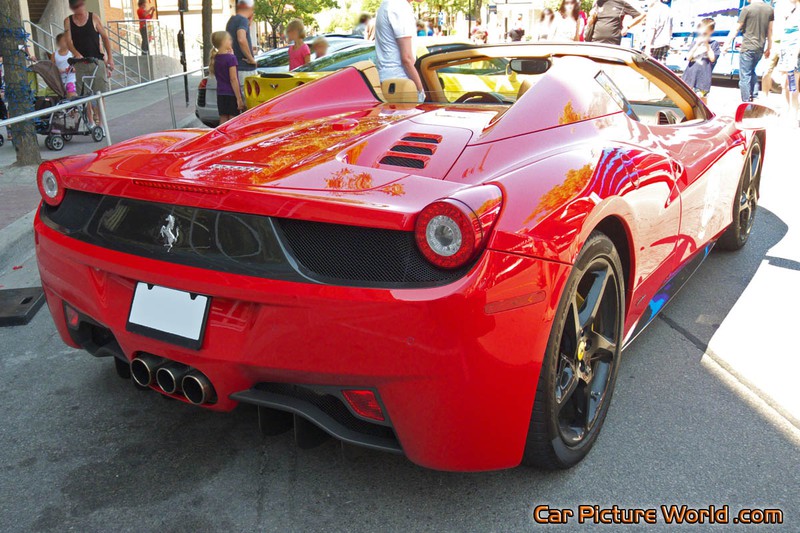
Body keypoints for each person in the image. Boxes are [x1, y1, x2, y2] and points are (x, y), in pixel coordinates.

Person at [64, 0, 114, 125]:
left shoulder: (94, 17)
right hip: (81, 63)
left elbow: (105, 37)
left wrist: (110, 58)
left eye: (79, 6)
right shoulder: (68, 21)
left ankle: (101, 123)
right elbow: (68, 41)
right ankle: (90, 121)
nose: (78, 10)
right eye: (75, 7)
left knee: (99, 93)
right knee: (85, 95)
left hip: (96, 60)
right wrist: (76, 53)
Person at [722, 0, 774, 102]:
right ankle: (754, 96)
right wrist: (769, 47)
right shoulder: (770, 9)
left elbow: (736, 29)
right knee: (751, 71)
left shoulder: (747, 9)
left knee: (744, 76)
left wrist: (726, 44)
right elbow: (770, 30)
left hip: (747, 47)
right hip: (760, 48)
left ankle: (746, 103)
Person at [374, 0, 425, 102]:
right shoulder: (399, 7)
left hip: (389, 84)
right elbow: (407, 59)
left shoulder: (389, 4)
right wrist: (421, 93)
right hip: (401, 85)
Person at [682, 18, 721, 104]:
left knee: (702, 101)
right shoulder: (695, 42)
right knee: (687, 100)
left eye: (705, 33)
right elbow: (688, 57)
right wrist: (696, 45)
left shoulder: (714, 44)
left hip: (703, 79)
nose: (702, 35)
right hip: (689, 77)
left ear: (711, 31)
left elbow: (712, 58)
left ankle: (705, 116)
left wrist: (707, 45)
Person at [210, 30, 245, 124]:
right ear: (223, 42)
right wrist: (239, 98)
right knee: (232, 121)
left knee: (223, 118)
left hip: (220, 93)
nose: (231, 41)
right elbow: (233, 79)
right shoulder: (231, 58)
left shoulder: (216, 58)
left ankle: (221, 138)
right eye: (229, 40)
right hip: (231, 93)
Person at [226, 0, 257, 89]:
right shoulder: (242, 20)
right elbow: (241, 39)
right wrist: (251, 59)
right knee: (248, 99)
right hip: (245, 68)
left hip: (234, 67)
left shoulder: (231, 21)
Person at [776, 0, 799, 121]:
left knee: (792, 86)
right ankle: (786, 110)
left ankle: (793, 115)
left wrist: (795, 55)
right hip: (785, 51)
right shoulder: (791, 10)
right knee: (784, 84)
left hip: (793, 53)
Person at [52, 33, 78, 98]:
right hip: (59, 80)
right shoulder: (55, 55)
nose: (67, 42)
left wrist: (72, 69)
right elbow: (51, 67)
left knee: (71, 94)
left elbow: (77, 66)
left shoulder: (72, 53)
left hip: (71, 79)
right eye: (64, 41)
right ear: (58, 43)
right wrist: (58, 70)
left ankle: (73, 105)